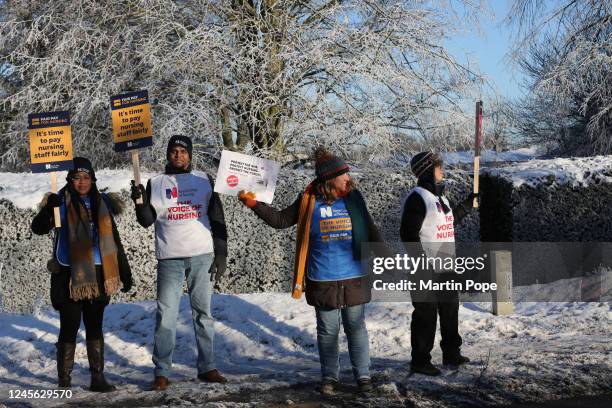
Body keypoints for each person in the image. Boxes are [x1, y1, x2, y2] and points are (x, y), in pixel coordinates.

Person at [238, 147, 384, 395]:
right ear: (330, 179)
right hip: (322, 277)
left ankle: (363, 376)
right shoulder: (308, 199)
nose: (348, 178)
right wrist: (254, 203)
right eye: (344, 174)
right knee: (328, 331)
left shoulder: (354, 197)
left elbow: (370, 230)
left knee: (355, 327)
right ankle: (329, 378)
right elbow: (280, 220)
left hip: (354, 276)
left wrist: (386, 261)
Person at [130, 135, 228, 391]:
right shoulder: (155, 182)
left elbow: (217, 217)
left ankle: (207, 367)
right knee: (166, 316)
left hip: (202, 255)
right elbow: (146, 220)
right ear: (168, 155)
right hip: (169, 258)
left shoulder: (204, 181)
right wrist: (139, 201)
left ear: (190, 155)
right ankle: (161, 371)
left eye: (183, 151)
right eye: (174, 151)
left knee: (203, 314)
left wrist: (221, 253)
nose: (178, 155)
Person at [31, 157, 133, 392]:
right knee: (69, 325)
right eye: (77, 177)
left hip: (100, 273)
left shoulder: (102, 202)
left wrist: (125, 273)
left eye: (87, 177)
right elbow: (38, 229)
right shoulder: (59, 202)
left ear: (93, 179)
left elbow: (114, 241)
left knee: (95, 325)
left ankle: (97, 378)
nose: (82, 182)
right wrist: (48, 209)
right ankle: (64, 381)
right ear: (69, 179)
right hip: (69, 275)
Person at [400, 151, 477, 376]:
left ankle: (451, 353)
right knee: (426, 315)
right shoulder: (417, 198)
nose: (442, 171)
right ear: (427, 171)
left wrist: (467, 205)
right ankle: (420, 361)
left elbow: (448, 223)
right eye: (438, 167)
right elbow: (408, 235)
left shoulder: (441, 198)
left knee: (450, 310)